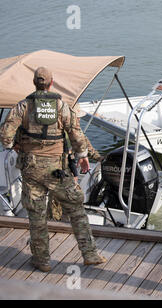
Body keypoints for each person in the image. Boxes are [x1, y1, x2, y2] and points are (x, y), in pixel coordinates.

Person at [0, 66, 106, 272]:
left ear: (34, 83)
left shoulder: (22, 107)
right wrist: (83, 157)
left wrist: (15, 145)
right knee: (76, 210)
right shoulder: (62, 107)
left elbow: (5, 137)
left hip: (31, 170)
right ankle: (90, 254)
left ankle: (42, 261)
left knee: (36, 215)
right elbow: (76, 135)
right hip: (57, 170)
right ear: (51, 82)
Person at [47, 103, 102, 222]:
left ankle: (61, 222)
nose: (79, 120)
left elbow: (87, 146)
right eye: (77, 117)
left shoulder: (76, 131)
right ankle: (58, 224)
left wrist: (103, 159)